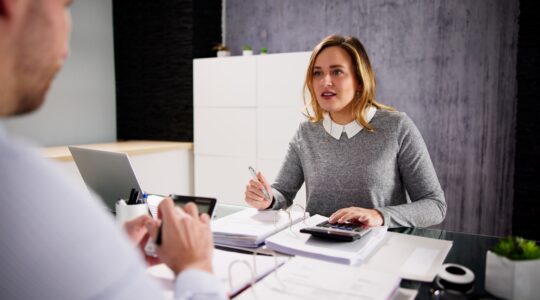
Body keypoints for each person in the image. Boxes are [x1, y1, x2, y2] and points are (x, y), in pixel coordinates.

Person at [0, 0, 225, 299]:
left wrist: (110, 259)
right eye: (66, 6)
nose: (67, 49)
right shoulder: (21, 192)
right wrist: (196, 267)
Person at [245, 34, 446, 228]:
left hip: (378, 253)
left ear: (359, 80)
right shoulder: (306, 132)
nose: (325, 81)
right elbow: (283, 193)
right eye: (317, 73)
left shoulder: (397, 126)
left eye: (337, 71)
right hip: (317, 248)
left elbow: (434, 205)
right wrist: (268, 199)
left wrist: (379, 215)